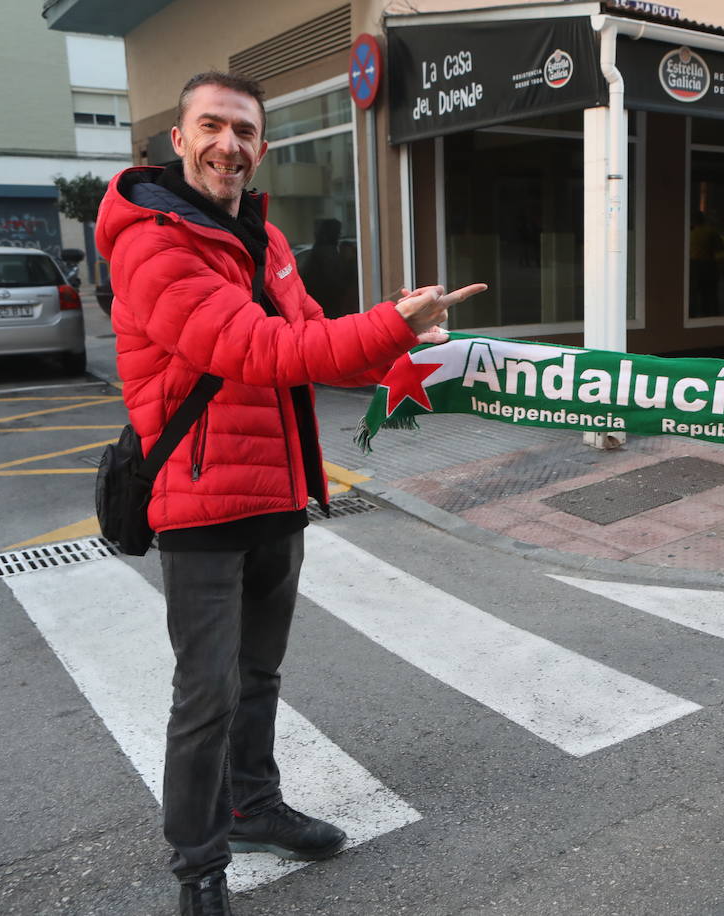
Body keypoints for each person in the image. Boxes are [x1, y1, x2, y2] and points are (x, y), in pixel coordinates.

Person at [95, 71, 486, 916]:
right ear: (179, 137)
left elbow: (313, 344)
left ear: (260, 146)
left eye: (243, 132)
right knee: (206, 694)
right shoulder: (151, 242)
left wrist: (418, 359)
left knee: (260, 674)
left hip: (275, 490)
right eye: (212, 126)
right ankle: (198, 866)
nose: (227, 145)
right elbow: (255, 349)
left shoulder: (265, 242)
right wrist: (392, 323)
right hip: (197, 499)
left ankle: (253, 806)